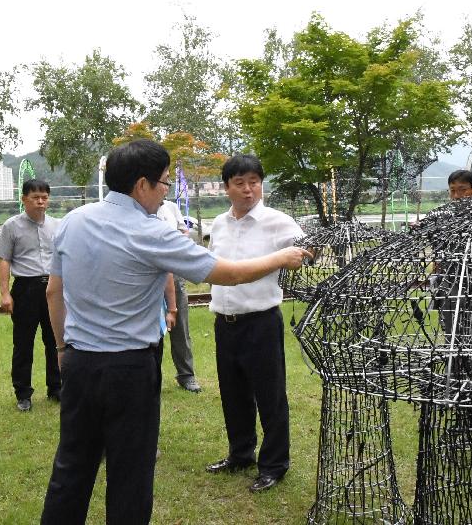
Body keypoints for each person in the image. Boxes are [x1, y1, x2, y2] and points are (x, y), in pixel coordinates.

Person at [40, 140, 310, 525]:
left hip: (80, 363)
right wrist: (283, 258)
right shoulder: (153, 233)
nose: (167, 191)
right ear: (142, 186)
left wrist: (63, 348)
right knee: (130, 471)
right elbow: (228, 275)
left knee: (72, 466)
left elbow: (53, 291)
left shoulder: (73, 220)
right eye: (165, 183)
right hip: (130, 369)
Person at [205, 154, 304, 494]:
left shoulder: (278, 222)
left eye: (254, 182)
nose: (248, 190)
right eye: (240, 183)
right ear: (226, 187)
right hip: (225, 321)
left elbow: (308, 252)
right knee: (233, 394)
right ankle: (240, 453)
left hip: (261, 322)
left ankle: (274, 465)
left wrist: (306, 252)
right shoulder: (218, 223)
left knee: (270, 396)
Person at [0, 179, 61, 412]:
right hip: (26, 289)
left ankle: (56, 388)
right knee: (23, 343)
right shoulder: (11, 226)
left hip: (53, 288)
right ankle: (23, 393)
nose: (41, 202)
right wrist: (5, 293)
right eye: (35, 197)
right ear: (24, 199)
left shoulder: (57, 225)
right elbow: (4, 260)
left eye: (44, 197)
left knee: (55, 341)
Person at [156, 199, 201, 392]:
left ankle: (186, 374)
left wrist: (179, 239)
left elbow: (184, 232)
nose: (165, 187)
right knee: (150, 326)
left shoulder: (171, 207)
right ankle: (150, 376)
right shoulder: (137, 207)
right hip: (149, 274)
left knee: (180, 325)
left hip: (174, 271)